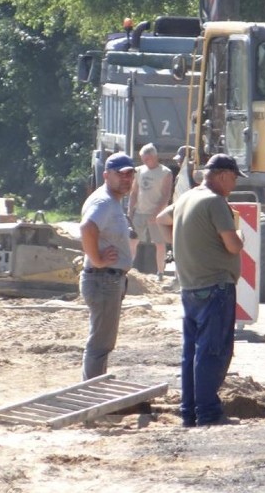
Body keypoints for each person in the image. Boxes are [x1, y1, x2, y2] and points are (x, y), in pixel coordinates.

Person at [156, 153, 246, 427]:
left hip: (191, 286)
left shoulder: (186, 198)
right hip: (216, 286)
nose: (234, 184)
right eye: (233, 178)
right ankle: (208, 413)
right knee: (214, 351)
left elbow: (161, 218)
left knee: (192, 352)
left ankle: (189, 411)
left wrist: (184, 242)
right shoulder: (215, 202)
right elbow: (233, 246)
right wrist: (240, 235)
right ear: (221, 175)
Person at [79, 152, 136, 380]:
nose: (126, 179)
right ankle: (91, 396)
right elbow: (86, 228)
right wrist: (98, 259)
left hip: (106, 279)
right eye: (120, 174)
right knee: (100, 345)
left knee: (102, 343)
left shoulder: (110, 201)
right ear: (106, 175)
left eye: (130, 174)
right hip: (103, 278)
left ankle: (94, 391)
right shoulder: (104, 201)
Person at [127, 143, 172, 281]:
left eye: (147, 159)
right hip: (140, 212)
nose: (144, 162)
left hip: (156, 215)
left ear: (154, 157)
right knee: (132, 241)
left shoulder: (165, 173)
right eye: (143, 159)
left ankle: (160, 273)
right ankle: (127, 269)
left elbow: (166, 195)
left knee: (159, 243)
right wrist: (130, 212)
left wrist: (156, 214)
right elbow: (134, 192)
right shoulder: (139, 171)